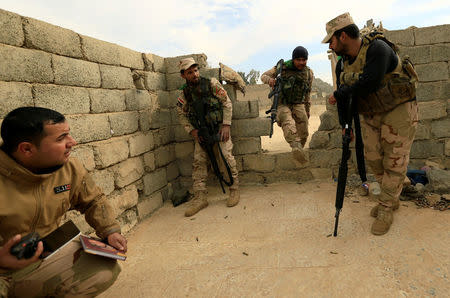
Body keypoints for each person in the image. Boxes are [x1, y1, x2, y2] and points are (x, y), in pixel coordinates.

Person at [0, 107, 127, 297]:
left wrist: (110, 231)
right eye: (61, 139)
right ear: (27, 149)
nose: (72, 142)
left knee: (102, 270)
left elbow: (93, 200)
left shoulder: (69, 169)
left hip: (44, 256)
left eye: (69, 135)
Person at [323, 13, 418, 235]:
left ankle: (387, 207)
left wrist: (341, 92)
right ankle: (391, 196)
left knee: (395, 162)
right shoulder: (342, 64)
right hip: (372, 114)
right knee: (374, 160)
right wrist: (345, 125)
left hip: (399, 110)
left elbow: (370, 82)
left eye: (332, 40)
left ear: (343, 36)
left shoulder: (378, 49)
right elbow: (343, 96)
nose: (331, 45)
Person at [176, 57, 240, 217]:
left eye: (196, 70)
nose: (195, 74)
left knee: (225, 157)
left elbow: (226, 102)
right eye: (190, 72)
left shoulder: (211, 84)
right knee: (199, 162)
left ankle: (234, 189)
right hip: (202, 133)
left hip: (219, 129)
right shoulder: (184, 95)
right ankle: (200, 197)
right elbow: (181, 115)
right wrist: (192, 131)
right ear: (183, 75)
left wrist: (226, 125)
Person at [261, 46, 314, 163]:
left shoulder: (308, 73)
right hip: (282, 103)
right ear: (293, 59)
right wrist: (270, 81)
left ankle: (299, 149)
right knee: (288, 122)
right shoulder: (282, 68)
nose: (301, 62)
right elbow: (263, 76)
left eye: (304, 60)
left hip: (298, 103)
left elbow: (307, 92)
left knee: (304, 127)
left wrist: (307, 109)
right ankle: (295, 146)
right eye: (298, 60)